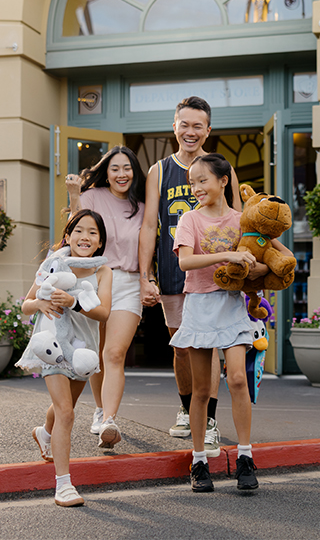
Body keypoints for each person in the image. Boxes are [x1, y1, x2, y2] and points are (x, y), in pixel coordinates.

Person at [138, 96, 241, 456]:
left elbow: (241, 219)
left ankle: (209, 421)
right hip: (173, 270)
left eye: (198, 125)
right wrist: (144, 275)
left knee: (208, 348)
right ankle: (187, 408)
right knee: (182, 348)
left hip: (215, 277)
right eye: (185, 124)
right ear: (175, 127)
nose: (191, 131)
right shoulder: (159, 171)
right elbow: (150, 224)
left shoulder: (221, 168)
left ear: (208, 130)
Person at [171, 153, 261, 492]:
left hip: (231, 305)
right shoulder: (189, 220)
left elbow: (263, 256)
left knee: (238, 379)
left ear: (223, 181)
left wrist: (260, 269)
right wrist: (227, 254)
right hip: (199, 305)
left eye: (202, 180)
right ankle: (198, 461)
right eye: (191, 182)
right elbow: (185, 262)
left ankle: (245, 458)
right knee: (202, 390)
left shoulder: (242, 220)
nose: (195, 188)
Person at [22, 210, 113, 507]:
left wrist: (74, 302)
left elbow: (104, 313)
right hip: (53, 344)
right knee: (67, 413)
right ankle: (63, 485)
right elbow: (26, 305)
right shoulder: (53, 264)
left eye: (92, 233)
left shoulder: (103, 272)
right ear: (68, 235)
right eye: (78, 231)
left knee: (66, 408)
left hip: (84, 351)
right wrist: (41, 302)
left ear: (100, 242)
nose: (84, 237)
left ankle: (44, 432)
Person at [63, 146, 145, 449]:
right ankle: (99, 409)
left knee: (114, 353)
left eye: (127, 168)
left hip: (129, 282)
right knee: (96, 354)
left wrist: (149, 280)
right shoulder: (93, 196)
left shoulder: (143, 205)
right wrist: (75, 194)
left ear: (134, 172)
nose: (121, 174)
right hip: (95, 280)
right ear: (106, 171)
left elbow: (148, 243)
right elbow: (76, 228)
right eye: (115, 168)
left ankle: (109, 419)